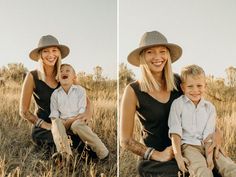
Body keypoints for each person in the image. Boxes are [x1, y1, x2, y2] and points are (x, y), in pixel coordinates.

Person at [120, 31, 224, 177]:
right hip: (158, 159)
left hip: (188, 149)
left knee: (219, 169)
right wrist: (158, 154)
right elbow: (125, 140)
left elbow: (200, 109)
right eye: (150, 52)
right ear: (142, 56)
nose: (158, 57)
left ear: (168, 55)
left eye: (162, 51)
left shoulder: (178, 82)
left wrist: (217, 132)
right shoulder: (132, 91)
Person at [19, 35, 93, 156]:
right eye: (46, 51)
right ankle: (64, 156)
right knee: (53, 138)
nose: (51, 54)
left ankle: (74, 148)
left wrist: (87, 114)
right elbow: (23, 111)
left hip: (68, 123)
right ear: (40, 55)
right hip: (45, 127)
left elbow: (86, 99)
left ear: (59, 53)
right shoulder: (32, 76)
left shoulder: (65, 72)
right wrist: (46, 125)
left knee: (85, 141)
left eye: (54, 50)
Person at [168, 64, 236, 177]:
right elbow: (175, 132)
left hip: (209, 145)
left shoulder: (209, 108)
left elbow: (208, 134)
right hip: (189, 146)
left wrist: (209, 157)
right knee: (203, 172)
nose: (195, 90)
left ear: (205, 86)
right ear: (183, 87)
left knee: (228, 166)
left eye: (199, 86)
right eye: (190, 86)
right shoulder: (177, 105)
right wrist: (178, 156)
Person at [49, 63, 109, 159]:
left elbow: (82, 111)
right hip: (63, 124)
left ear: (74, 77)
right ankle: (66, 156)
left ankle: (103, 153)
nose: (64, 72)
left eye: (68, 70)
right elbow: (54, 114)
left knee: (77, 125)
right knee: (55, 123)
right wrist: (61, 123)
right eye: (61, 71)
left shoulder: (80, 91)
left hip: (78, 121)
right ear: (57, 78)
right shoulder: (55, 94)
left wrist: (70, 121)